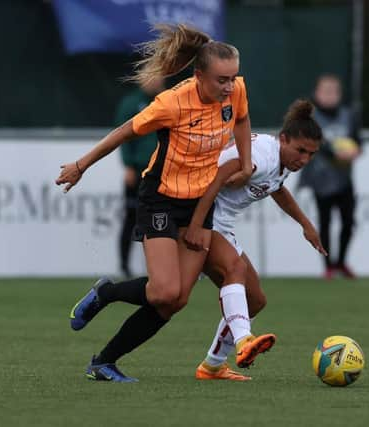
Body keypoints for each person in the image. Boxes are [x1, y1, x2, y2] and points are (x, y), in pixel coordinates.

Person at [56, 24, 275, 382]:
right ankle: (107, 292)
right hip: (160, 198)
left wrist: (247, 162)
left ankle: (103, 362)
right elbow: (124, 131)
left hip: (199, 205)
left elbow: (243, 118)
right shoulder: (171, 103)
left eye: (233, 78)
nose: (229, 86)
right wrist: (81, 165)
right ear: (199, 74)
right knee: (164, 291)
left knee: (175, 301)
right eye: (221, 79)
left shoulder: (235, 92)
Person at [184, 99, 327, 380]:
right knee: (168, 296)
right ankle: (243, 341)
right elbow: (214, 178)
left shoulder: (281, 162)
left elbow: (277, 189)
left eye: (311, 154)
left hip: (220, 226)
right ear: (282, 139)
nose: (305, 160)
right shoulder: (261, 156)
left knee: (255, 299)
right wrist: (196, 224)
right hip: (200, 219)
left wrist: (306, 225)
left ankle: (213, 365)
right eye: (301, 151)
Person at [298, 74, 362, 280]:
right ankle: (328, 266)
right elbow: (315, 143)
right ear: (317, 93)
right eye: (325, 91)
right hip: (321, 178)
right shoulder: (312, 117)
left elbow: (357, 140)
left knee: (348, 221)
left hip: (344, 178)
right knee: (324, 222)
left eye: (334, 91)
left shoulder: (348, 115)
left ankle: (341, 262)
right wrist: (335, 154)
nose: (330, 95)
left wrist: (355, 151)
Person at [115, 77, 165, 278]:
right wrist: (128, 165)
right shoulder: (131, 103)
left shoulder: (167, 100)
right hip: (138, 170)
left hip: (163, 171)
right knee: (131, 217)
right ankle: (124, 265)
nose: (155, 81)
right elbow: (122, 135)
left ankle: (163, 267)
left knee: (163, 219)